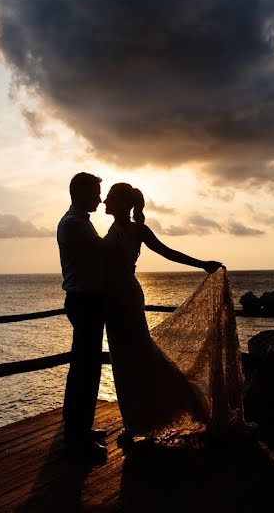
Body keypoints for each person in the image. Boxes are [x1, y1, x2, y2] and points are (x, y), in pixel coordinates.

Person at [101, 182, 239, 445]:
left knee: (140, 357)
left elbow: (167, 252)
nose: (104, 203)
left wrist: (202, 265)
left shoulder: (137, 230)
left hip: (127, 298)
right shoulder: (112, 229)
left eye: (108, 199)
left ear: (120, 203)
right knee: (122, 362)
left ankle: (174, 408)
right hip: (112, 301)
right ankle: (135, 421)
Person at [56, 172, 108, 458]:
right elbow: (104, 253)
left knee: (85, 367)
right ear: (81, 193)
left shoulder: (78, 223)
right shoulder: (74, 225)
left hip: (87, 300)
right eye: (95, 193)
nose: (99, 199)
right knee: (85, 369)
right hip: (84, 301)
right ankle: (77, 435)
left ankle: (79, 428)